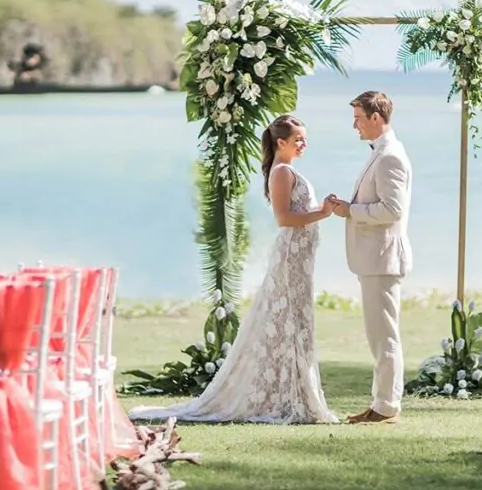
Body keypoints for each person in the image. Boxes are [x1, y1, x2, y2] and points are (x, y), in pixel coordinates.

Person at [128, 114, 340, 424]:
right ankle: (286, 394)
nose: (304, 144)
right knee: (286, 320)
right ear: (281, 143)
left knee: (294, 321)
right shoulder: (281, 172)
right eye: (298, 140)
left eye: (304, 139)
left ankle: (291, 390)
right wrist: (321, 213)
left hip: (301, 260)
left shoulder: (288, 171)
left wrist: (320, 211)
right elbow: (284, 219)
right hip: (290, 259)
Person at [326, 91, 413, 424]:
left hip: (383, 259)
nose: (355, 126)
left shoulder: (390, 156)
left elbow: (392, 210)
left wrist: (351, 211)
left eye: (358, 119)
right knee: (379, 335)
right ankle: (381, 402)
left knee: (384, 335)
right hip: (376, 259)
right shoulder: (383, 153)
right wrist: (349, 208)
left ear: (376, 118)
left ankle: (386, 406)